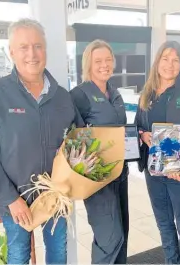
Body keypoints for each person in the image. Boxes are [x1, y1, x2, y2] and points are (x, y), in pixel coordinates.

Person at [0, 18, 83, 265]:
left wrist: (73, 181)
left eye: (37, 46)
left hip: (55, 196)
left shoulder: (63, 97)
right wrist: (11, 199)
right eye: (23, 47)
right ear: (11, 52)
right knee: (19, 255)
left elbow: (77, 143)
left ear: (45, 49)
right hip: (15, 199)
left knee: (58, 254)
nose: (32, 54)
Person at [135, 41, 180, 264]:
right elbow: (139, 127)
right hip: (153, 173)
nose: (169, 64)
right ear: (157, 62)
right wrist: (143, 135)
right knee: (163, 223)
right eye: (165, 58)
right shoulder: (146, 94)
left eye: (175, 60)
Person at [69, 39, 129, 264]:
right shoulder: (79, 95)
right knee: (110, 238)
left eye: (107, 60)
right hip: (97, 178)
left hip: (120, 173)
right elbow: (71, 136)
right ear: (88, 65)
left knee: (123, 235)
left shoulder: (115, 94)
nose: (104, 65)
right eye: (98, 61)